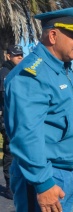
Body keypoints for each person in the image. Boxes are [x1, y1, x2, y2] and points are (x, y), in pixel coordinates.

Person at [3, 7, 73, 212]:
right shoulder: (32, 74)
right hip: (44, 176)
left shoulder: (62, 69)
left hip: (63, 173)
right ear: (53, 35)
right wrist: (43, 183)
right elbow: (25, 134)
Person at [0, 45, 24, 200]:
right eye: (16, 56)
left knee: (13, 149)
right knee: (10, 150)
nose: (20, 58)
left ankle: (13, 183)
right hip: (5, 117)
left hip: (14, 116)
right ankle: (9, 186)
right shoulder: (5, 73)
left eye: (21, 55)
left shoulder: (17, 72)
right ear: (8, 56)